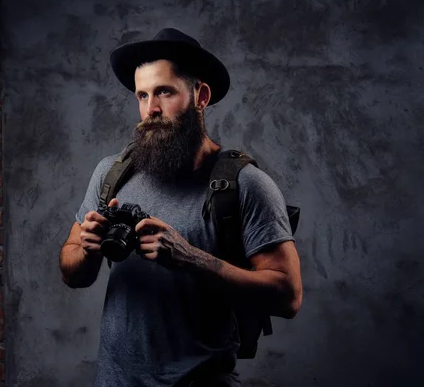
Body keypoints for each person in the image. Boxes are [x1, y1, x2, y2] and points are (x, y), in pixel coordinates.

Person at [59, 28, 303, 387]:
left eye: (164, 92)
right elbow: (70, 270)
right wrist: (88, 249)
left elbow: (288, 296)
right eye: (142, 95)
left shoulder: (246, 185)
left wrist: (192, 258)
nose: (150, 109)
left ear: (200, 96)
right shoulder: (111, 173)